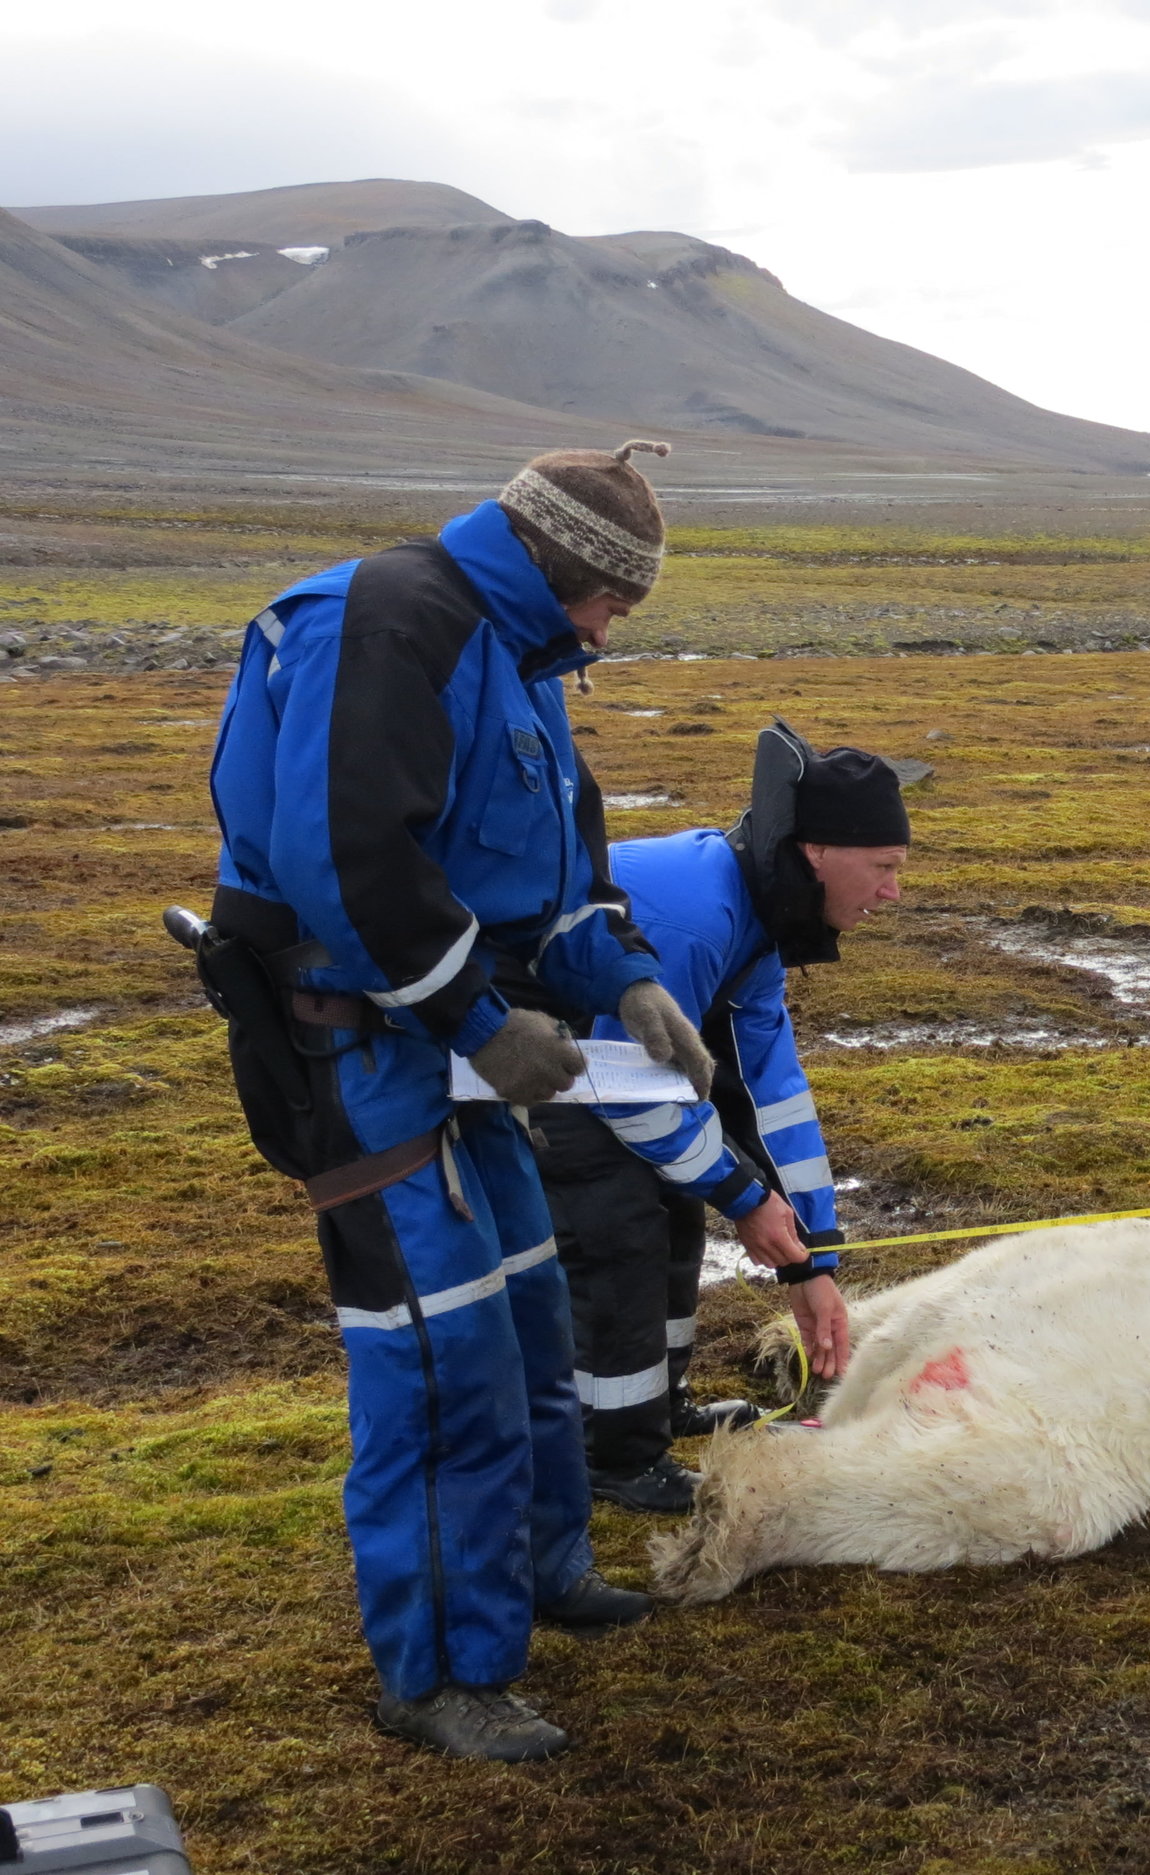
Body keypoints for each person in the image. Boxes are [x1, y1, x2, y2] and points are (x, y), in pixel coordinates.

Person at [204, 440, 714, 1761]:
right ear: (560, 563)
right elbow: (345, 852)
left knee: (530, 1316)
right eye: (614, 601)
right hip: (364, 1055)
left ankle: (541, 1570)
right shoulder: (399, 618)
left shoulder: (519, 654)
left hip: (452, 1048)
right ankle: (438, 1671)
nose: (611, 631)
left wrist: (628, 981)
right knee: (443, 1365)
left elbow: (543, 871)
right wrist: (484, 1023)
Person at [527, 722, 903, 1511]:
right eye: (884, 867)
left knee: (674, 1214)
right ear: (817, 853)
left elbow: (773, 1093)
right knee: (617, 1234)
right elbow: (628, 1088)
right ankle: (613, 1456)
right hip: (538, 1063)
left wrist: (814, 1254)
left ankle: (657, 1409)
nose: (893, 892)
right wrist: (747, 1199)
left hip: (601, 1067)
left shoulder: (760, 918)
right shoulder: (696, 918)